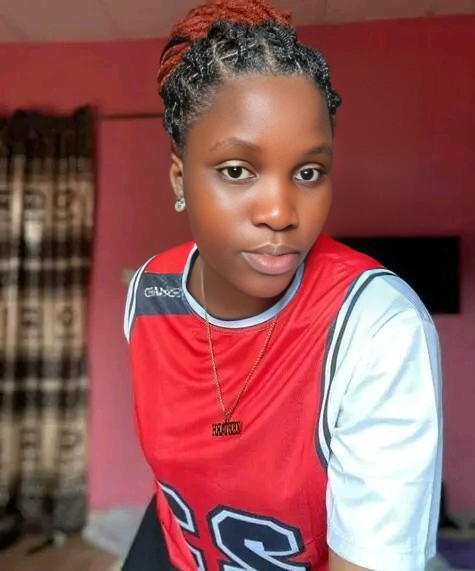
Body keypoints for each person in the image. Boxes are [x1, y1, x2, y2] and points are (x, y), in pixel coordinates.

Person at [123, 1, 442, 569]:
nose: (280, 212)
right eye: (237, 170)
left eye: (308, 172)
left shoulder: (376, 327)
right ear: (179, 176)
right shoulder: (150, 293)